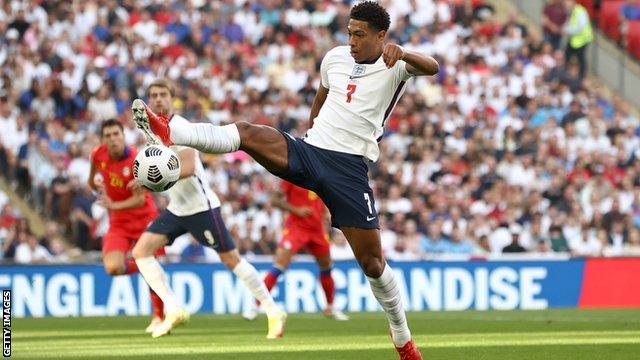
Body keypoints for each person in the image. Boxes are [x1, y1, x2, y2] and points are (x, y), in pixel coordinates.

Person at [133, 2, 437, 358]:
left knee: (372, 263)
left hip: (349, 170)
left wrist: (404, 52)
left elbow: (433, 67)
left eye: (360, 34)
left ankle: (403, 339)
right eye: (349, 33)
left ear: (381, 36)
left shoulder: (396, 65)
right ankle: (172, 130)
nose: (352, 40)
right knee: (248, 132)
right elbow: (323, 94)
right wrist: (310, 133)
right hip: (311, 152)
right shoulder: (335, 58)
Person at [131, 79, 286, 339]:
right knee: (141, 251)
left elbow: (189, 166)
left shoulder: (179, 127)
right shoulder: (151, 135)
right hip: (178, 208)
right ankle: (174, 308)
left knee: (230, 260)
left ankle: (273, 310)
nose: (157, 99)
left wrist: (152, 180)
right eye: (153, 95)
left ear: (172, 99)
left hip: (202, 208)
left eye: (163, 95)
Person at [88, 119, 165, 334]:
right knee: (113, 267)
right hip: (119, 222)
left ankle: (159, 317)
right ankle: (144, 265)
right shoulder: (97, 154)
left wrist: (113, 205)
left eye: (116, 134)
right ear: (102, 139)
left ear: (123, 136)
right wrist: (94, 185)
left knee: (151, 272)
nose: (113, 139)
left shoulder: (136, 160)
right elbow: (91, 179)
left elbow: (140, 200)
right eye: (108, 135)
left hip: (144, 217)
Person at [242, 180, 349, 321]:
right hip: (296, 228)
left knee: (326, 267)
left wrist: (325, 214)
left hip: (317, 230)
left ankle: (330, 307)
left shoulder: (319, 175)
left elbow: (323, 199)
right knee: (278, 266)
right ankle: (255, 306)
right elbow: (274, 201)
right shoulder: (292, 175)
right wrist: (295, 210)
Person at [563, 0, 593, 79]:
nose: (566, 4)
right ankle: (569, 72)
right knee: (568, 55)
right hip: (575, 40)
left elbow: (581, 26)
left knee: (580, 58)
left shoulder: (580, 11)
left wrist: (568, 30)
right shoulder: (571, 11)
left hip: (582, 40)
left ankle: (581, 75)